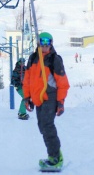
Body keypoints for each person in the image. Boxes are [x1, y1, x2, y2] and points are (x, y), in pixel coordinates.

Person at [23, 32, 70, 170]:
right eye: (42, 42)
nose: (44, 45)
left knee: (47, 126)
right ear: (38, 43)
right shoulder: (33, 58)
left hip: (50, 96)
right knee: (42, 127)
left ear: (51, 43)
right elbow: (27, 81)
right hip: (38, 99)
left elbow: (63, 83)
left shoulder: (54, 59)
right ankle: (54, 154)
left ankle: (55, 157)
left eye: (47, 42)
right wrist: (27, 97)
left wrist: (60, 101)